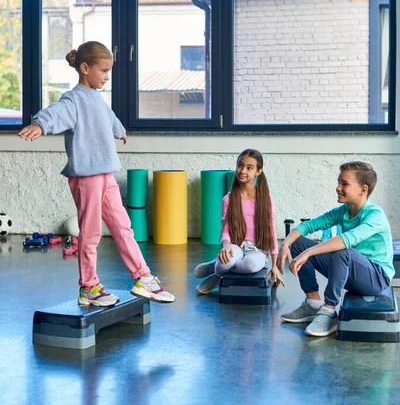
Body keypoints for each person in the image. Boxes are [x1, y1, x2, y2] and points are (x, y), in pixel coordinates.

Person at [19, 41, 175, 306]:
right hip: (86, 177)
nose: (106, 76)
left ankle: (143, 277)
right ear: (84, 68)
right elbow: (56, 113)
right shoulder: (74, 99)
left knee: (124, 227)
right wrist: (40, 124)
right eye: (103, 71)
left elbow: (109, 118)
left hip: (105, 174)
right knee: (90, 234)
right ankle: (88, 287)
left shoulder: (97, 99)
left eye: (108, 71)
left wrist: (120, 130)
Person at [278, 161, 394, 337]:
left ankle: (329, 311)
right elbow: (309, 225)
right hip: (351, 271)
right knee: (298, 243)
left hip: (376, 278)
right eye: (338, 182)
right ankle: (313, 303)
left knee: (341, 251)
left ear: (363, 189)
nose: (338, 187)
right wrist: (285, 243)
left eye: (344, 184)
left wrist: (308, 253)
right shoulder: (343, 211)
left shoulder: (375, 215)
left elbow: (346, 240)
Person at [194, 149, 284, 294]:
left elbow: (271, 231)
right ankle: (218, 270)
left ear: (258, 172)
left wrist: (274, 265)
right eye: (240, 165)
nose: (242, 171)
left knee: (249, 266)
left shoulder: (267, 199)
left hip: (258, 250)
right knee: (225, 262)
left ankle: (216, 270)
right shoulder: (228, 199)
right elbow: (225, 230)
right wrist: (226, 246)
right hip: (236, 245)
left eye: (249, 168)